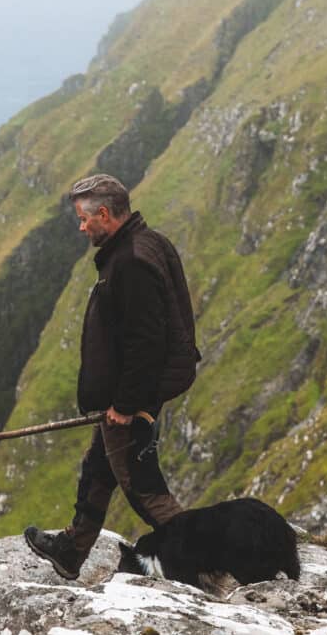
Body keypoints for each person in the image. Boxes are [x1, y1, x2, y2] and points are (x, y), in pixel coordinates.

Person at [25, 173, 199, 580]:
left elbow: (145, 344)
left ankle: (201, 561)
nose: (82, 228)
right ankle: (72, 549)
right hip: (132, 392)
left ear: (104, 214)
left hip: (132, 396)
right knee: (99, 467)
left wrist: (124, 405)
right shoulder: (147, 243)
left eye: (85, 220)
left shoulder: (132, 262)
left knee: (143, 487)